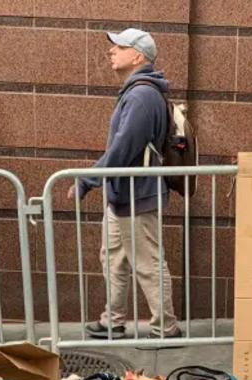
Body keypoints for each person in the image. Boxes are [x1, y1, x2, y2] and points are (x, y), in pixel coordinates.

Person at [70, 28, 180, 340]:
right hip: (125, 194)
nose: (111, 51)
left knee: (147, 264)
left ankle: (165, 328)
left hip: (137, 194)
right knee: (114, 258)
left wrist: (87, 180)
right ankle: (112, 321)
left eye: (119, 46)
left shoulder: (142, 95)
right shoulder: (137, 92)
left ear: (138, 56)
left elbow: (122, 149)